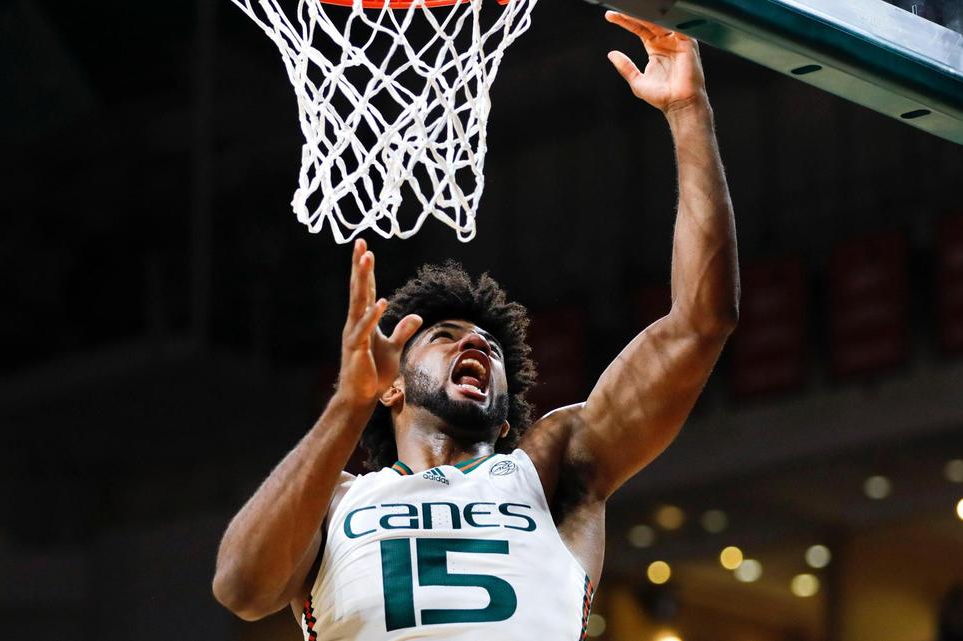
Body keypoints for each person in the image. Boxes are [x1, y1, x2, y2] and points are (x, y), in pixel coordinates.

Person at [213, 11, 739, 640]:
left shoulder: (552, 468)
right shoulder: (334, 499)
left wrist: (689, 112)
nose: (475, 344)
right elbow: (242, 589)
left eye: (488, 344)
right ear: (391, 388)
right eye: (444, 337)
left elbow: (701, 324)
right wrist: (345, 407)